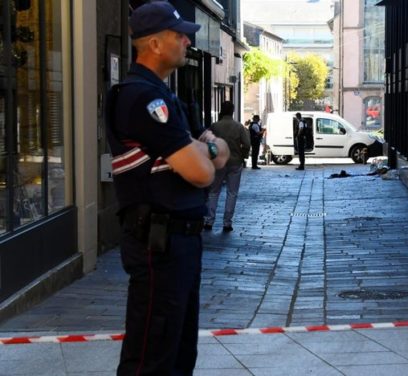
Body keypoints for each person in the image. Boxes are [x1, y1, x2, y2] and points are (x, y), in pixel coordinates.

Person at [104, 2, 230, 375]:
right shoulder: (143, 98)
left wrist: (204, 149)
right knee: (153, 356)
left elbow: (220, 154)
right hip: (159, 242)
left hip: (179, 241)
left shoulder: (164, 95)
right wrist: (204, 147)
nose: (187, 41)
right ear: (155, 44)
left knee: (178, 352)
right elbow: (203, 172)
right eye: (179, 35)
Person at [204, 101, 251, 232]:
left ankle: (209, 220)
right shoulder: (238, 127)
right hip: (235, 162)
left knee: (213, 192)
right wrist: (243, 156)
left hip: (218, 162)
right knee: (232, 193)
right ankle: (227, 223)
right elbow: (247, 144)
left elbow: (207, 142)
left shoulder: (214, 126)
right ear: (233, 111)